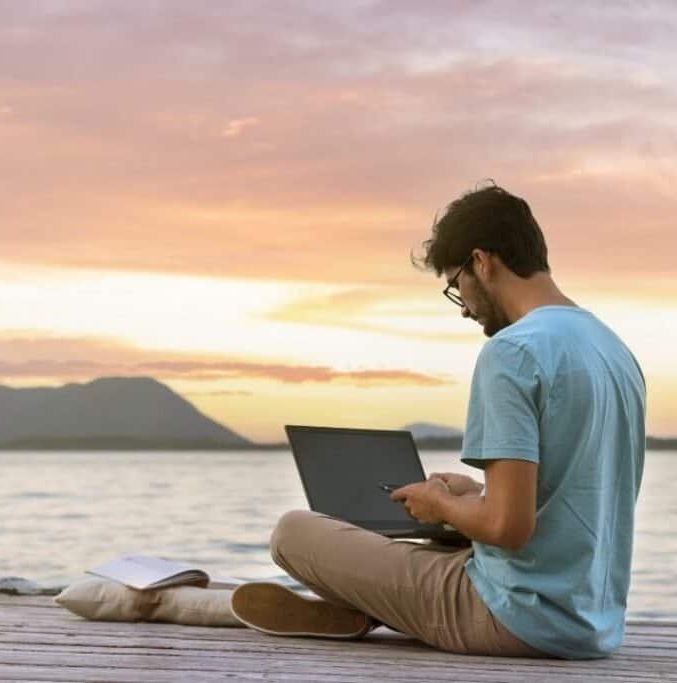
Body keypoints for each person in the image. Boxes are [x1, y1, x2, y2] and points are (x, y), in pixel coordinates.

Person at [230, 182, 646, 659]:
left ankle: (363, 606)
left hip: (512, 616)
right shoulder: (613, 350)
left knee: (293, 533)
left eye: (456, 286)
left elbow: (510, 528)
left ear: (481, 263)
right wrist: (476, 495)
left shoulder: (512, 351)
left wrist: (439, 505)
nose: (465, 307)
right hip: (592, 623)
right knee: (430, 548)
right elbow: (575, 497)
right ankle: (366, 604)